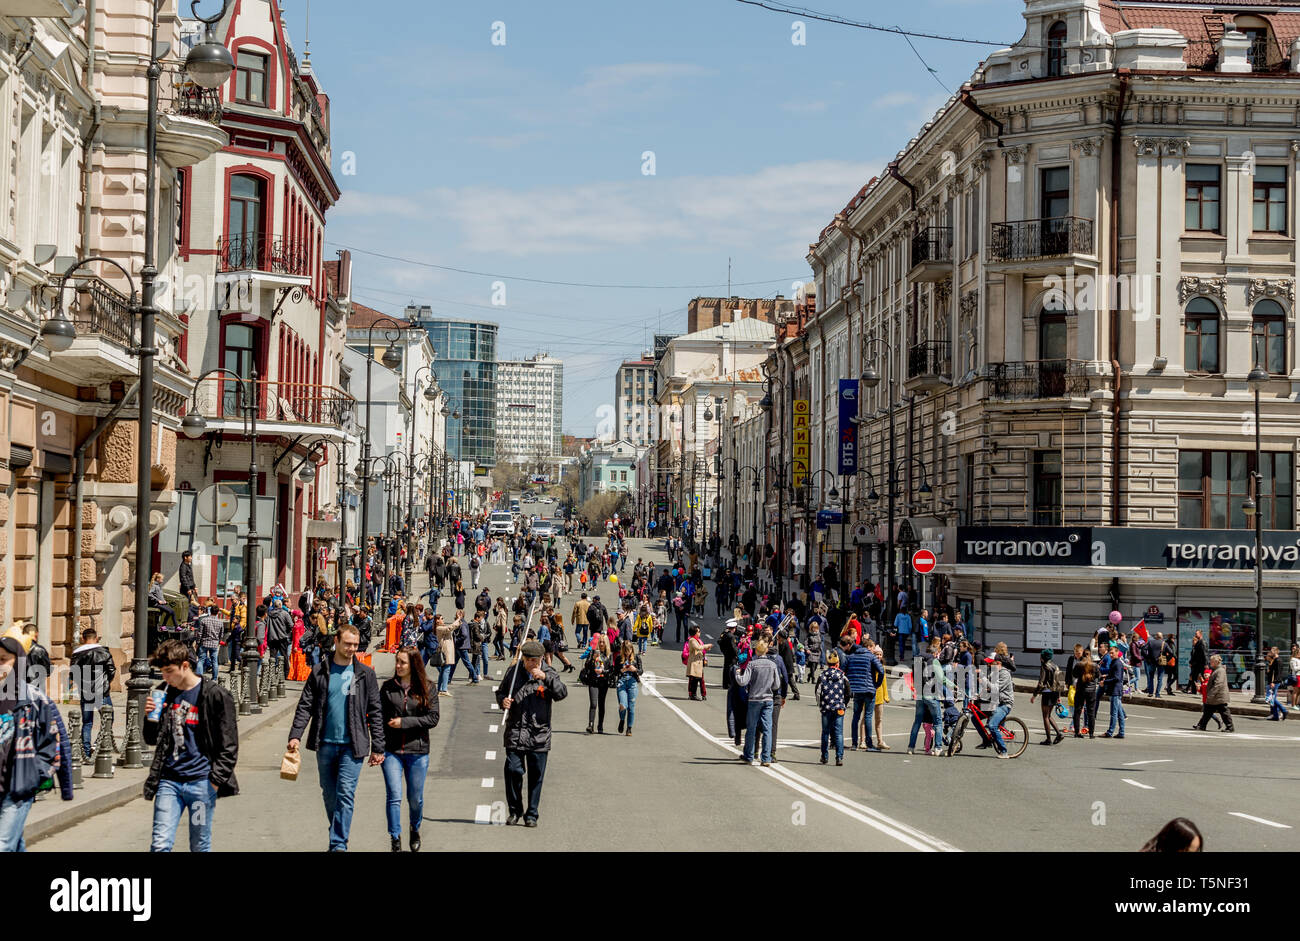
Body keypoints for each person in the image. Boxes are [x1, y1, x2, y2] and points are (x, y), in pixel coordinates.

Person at [287, 622, 385, 851]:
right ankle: (337, 830)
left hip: (353, 746)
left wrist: (378, 747)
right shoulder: (321, 671)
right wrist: (295, 736)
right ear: (337, 642)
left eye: (356, 645)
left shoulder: (365, 674)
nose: (352, 648)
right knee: (329, 794)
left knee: (345, 794)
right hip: (326, 744)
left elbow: (376, 711)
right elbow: (305, 705)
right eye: (348, 644)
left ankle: (338, 844)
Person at [142, 639, 239, 852]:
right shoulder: (164, 692)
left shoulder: (215, 695)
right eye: (163, 673)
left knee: (199, 844)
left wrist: (213, 782)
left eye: (169, 671)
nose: (165, 677)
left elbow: (229, 744)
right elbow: (151, 739)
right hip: (169, 782)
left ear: (185, 666)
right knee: (160, 843)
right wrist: (150, 717)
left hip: (200, 783)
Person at [495, 640, 568, 827]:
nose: (531, 665)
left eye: (535, 661)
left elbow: (561, 693)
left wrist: (545, 677)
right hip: (515, 731)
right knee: (512, 771)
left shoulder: (549, 673)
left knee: (536, 776)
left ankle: (532, 814)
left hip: (539, 733)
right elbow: (501, 692)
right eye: (528, 660)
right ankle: (515, 810)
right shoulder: (513, 672)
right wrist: (503, 701)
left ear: (542, 659)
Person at [380, 647, 439, 852]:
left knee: (415, 798)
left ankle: (415, 828)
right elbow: (378, 718)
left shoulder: (427, 687)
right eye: (397, 661)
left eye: (402, 662)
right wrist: (377, 747)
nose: (398, 666)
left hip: (418, 751)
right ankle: (395, 838)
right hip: (392, 751)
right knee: (394, 795)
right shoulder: (387, 687)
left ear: (413, 664)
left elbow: (433, 718)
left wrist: (405, 722)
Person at [69, 627, 116, 759]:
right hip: (102, 692)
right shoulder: (104, 652)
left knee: (87, 722)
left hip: (86, 692)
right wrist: (106, 683)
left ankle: (86, 750)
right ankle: (98, 744)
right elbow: (111, 670)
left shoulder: (77, 654)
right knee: (108, 718)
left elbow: (73, 674)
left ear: (83, 639)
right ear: (96, 638)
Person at [735, 638, 781, 767]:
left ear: (756, 650)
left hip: (754, 699)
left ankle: (749, 755)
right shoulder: (772, 665)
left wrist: (738, 674)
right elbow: (777, 684)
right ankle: (766, 757)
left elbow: (743, 681)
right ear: (766, 650)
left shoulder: (752, 664)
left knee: (751, 728)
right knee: (767, 728)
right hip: (768, 699)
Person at [840, 635, 881, 752]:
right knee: (868, 716)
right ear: (868, 647)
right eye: (872, 647)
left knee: (856, 716)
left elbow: (842, 672)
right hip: (869, 689)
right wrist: (876, 684)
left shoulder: (850, 657)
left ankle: (854, 743)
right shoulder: (871, 657)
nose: (874, 650)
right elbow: (881, 670)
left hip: (856, 690)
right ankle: (869, 744)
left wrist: (849, 685)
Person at [907, 639, 947, 756]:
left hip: (920, 694)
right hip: (931, 694)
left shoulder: (918, 660)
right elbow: (942, 678)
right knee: (938, 722)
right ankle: (938, 748)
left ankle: (911, 747)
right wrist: (953, 686)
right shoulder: (933, 661)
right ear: (935, 653)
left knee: (917, 722)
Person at [815, 649, 850, 765]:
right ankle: (839, 757)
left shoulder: (822, 676)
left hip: (826, 707)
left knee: (825, 732)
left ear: (827, 664)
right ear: (837, 664)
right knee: (839, 733)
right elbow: (848, 693)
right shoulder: (843, 676)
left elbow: (818, 692)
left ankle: (824, 756)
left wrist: (820, 705)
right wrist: (844, 703)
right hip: (839, 707)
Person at [580, 631, 614, 734]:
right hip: (593, 681)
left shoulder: (609, 655)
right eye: (600, 642)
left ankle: (600, 725)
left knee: (601, 704)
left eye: (603, 642)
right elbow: (586, 666)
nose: (602, 644)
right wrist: (592, 660)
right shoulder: (593, 652)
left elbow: (611, 671)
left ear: (606, 643)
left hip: (603, 682)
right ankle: (590, 725)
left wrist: (603, 671)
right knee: (593, 703)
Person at [1030, 648, 1065, 745]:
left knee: (1045, 716)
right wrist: (1059, 696)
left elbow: (1041, 683)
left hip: (1047, 692)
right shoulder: (1055, 666)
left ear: (1043, 657)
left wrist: (1034, 695)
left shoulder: (1044, 666)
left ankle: (1049, 739)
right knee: (1049, 715)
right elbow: (1060, 681)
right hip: (1055, 692)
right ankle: (1058, 734)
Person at [984, 652, 1015, 758]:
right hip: (995, 702)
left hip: (1005, 704)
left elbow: (996, 688)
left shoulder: (1005, 674)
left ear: (998, 663)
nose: (989, 666)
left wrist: (985, 681)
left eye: (992, 664)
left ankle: (1004, 751)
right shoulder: (994, 673)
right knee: (975, 717)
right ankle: (986, 740)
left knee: (992, 725)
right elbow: (989, 689)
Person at [1192, 655, 1233, 732]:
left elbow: (1218, 684)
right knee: (1208, 711)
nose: (1210, 662)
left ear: (1216, 662)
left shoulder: (1220, 670)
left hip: (1219, 696)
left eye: (1211, 661)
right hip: (1216, 696)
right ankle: (1201, 725)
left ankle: (1230, 727)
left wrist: (1211, 694)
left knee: (1224, 712)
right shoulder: (1216, 670)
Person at [614, 640, 642, 736]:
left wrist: (635, 669)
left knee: (631, 707)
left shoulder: (636, 658)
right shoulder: (619, 658)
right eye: (625, 650)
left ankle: (629, 728)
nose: (627, 652)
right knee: (622, 704)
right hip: (621, 683)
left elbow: (641, 671)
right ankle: (622, 719)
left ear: (632, 649)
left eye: (629, 650)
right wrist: (622, 670)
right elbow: (615, 671)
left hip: (632, 683)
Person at [1100, 641, 1127, 739]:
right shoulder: (1114, 663)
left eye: (1113, 653)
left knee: (1114, 713)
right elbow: (1114, 675)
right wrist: (1106, 676)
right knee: (1119, 713)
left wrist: (1105, 682)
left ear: (1117, 652)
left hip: (1115, 690)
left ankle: (1110, 732)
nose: (1111, 655)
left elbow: (1117, 678)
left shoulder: (1117, 663)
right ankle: (1122, 732)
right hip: (1116, 690)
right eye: (1110, 653)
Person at [1072, 651, 1099, 738]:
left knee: (1077, 711)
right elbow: (1098, 675)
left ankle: (1077, 732)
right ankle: (1091, 733)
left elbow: (1074, 675)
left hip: (1080, 690)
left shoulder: (1079, 665)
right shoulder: (1094, 665)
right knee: (1091, 712)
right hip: (1091, 691)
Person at [18, 624, 49, 690]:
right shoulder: (40, 650)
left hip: (18, 687)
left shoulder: (15, 648)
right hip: (36, 687)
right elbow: (48, 671)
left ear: (23, 634)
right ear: (36, 634)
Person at [685, 625, 712, 701]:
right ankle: (693, 694)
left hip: (698, 662)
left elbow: (701, 649)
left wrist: (706, 648)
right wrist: (707, 645)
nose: (700, 633)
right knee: (694, 679)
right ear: (695, 633)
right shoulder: (692, 640)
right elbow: (698, 647)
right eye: (698, 631)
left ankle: (701, 694)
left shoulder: (698, 640)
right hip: (694, 662)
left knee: (699, 679)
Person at [1186, 629, 1208, 694]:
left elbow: (1205, 653)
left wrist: (1206, 663)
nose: (1195, 635)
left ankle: (1205, 691)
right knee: (1194, 677)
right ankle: (1193, 691)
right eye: (1195, 633)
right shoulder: (1198, 642)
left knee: (1204, 677)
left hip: (1201, 663)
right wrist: (1191, 662)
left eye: (1196, 634)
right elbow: (1195, 654)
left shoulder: (1202, 642)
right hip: (1197, 664)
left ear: (1200, 634)